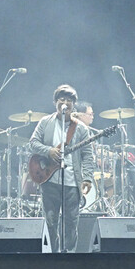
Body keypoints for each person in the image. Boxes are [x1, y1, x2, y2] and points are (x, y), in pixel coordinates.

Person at [28, 84, 96, 252]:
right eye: (62, 99)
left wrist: (87, 177)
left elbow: (87, 155)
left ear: (73, 105)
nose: (65, 103)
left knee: (72, 222)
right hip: (49, 180)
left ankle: (69, 257)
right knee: (51, 222)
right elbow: (33, 143)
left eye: (69, 100)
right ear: (55, 102)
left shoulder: (80, 128)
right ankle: (53, 256)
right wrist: (49, 151)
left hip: (72, 183)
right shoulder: (45, 122)